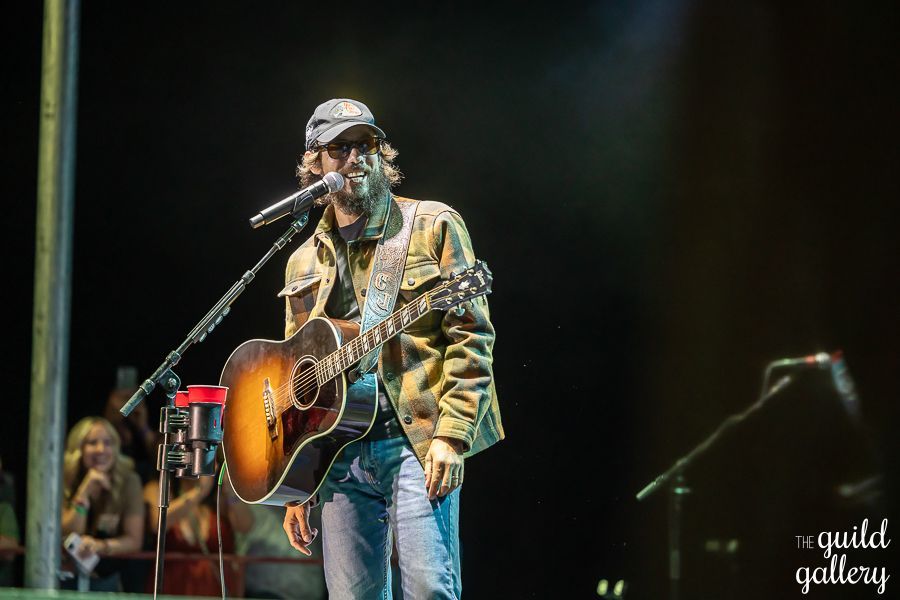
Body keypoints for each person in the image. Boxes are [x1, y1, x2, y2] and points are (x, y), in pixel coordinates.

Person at [280, 98, 504, 598]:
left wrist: (453, 434)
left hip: (415, 440)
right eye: (338, 148)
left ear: (382, 155)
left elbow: (472, 339)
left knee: (428, 589)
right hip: (336, 455)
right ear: (315, 163)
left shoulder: (431, 224)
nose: (354, 158)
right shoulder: (299, 261)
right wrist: (299, 484)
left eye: (365, 146)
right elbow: (298, 374)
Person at [61, 417, 145, 592]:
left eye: (108, 443)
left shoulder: (129, 481)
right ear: (79, 448)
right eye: (92, 443)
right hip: (65, 578)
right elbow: (69, 532)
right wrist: (84, 491)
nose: (101, 450)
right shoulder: (63, 479)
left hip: (107, 580)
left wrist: (100, 546)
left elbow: (134, 540)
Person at [143, 470, 237, 596]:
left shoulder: (219, 496)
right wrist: (200, 492)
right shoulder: (158, 487)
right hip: (171, 586)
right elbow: (157, 523)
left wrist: (232, 491)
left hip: (213, 589)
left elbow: (246, 526)